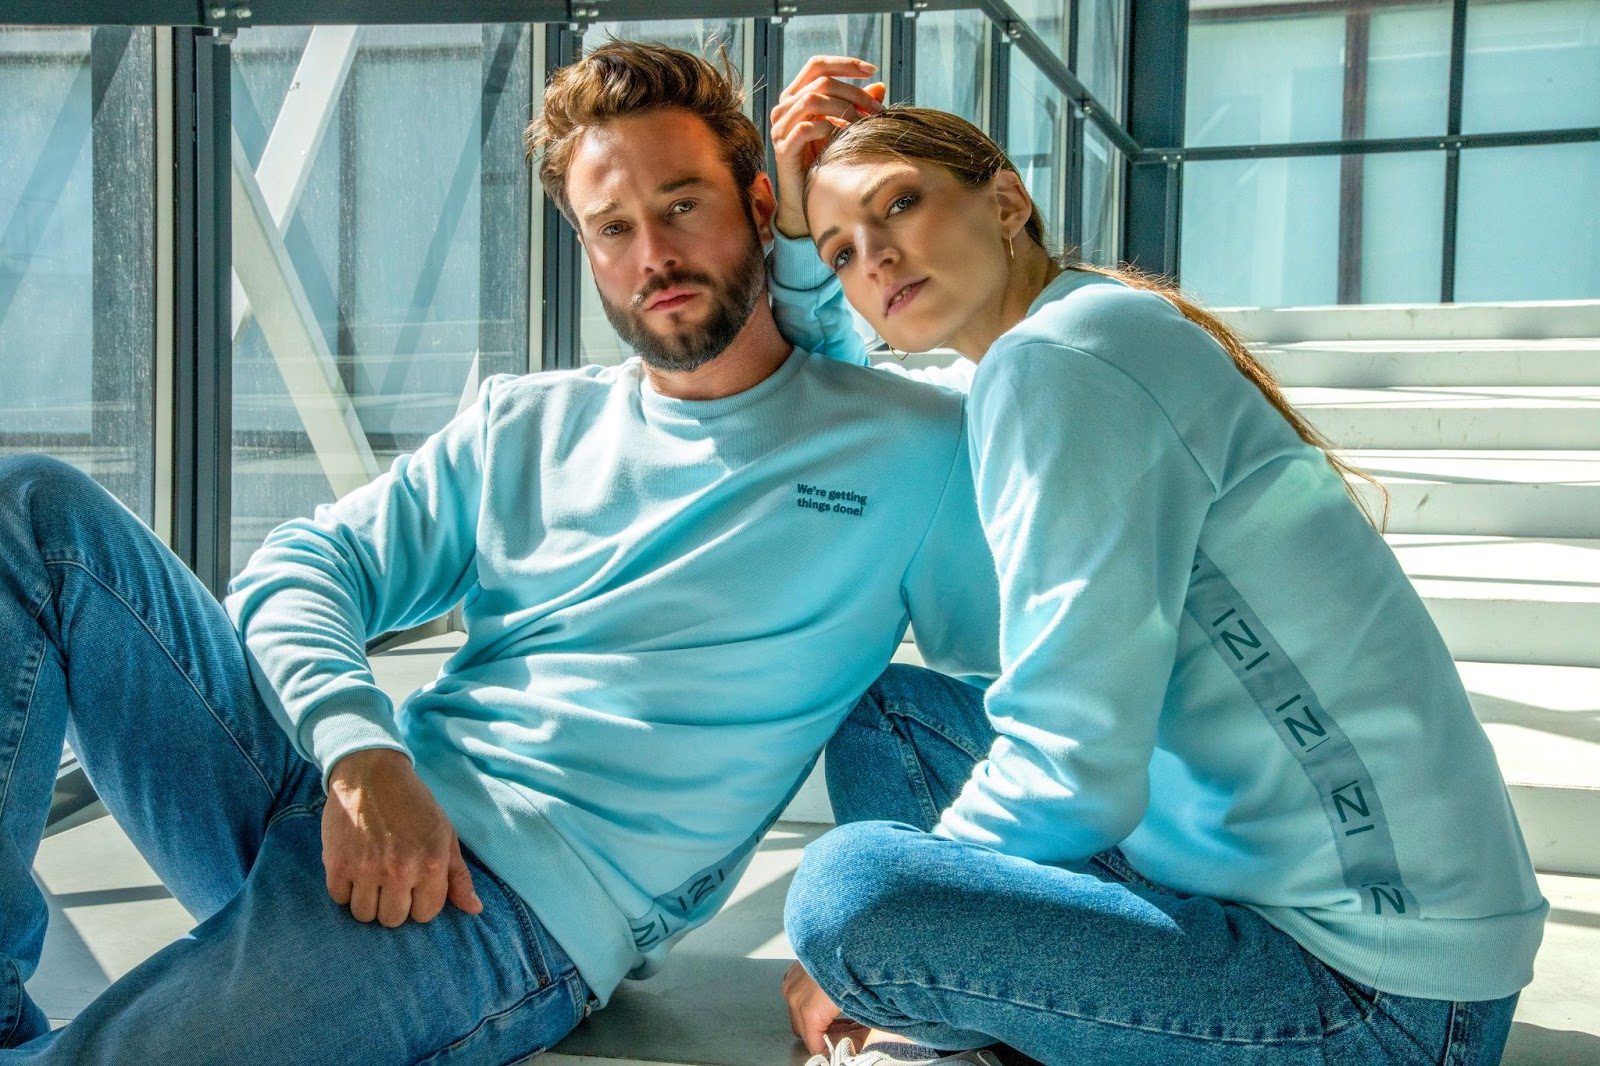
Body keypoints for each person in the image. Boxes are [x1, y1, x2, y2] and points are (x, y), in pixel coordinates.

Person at [0, 42, 1000, 1064]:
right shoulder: (527, 421)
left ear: (758, 205)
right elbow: (301, 565)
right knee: (30, 509)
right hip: (351, 796)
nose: (653, 254)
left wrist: (889, 937)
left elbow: (1002, 701)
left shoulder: (909, 448)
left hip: (495, 911)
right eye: (613, 227)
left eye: (682, 204)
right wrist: (362, 751)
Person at [763, 56, 1548, 1066]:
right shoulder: (1075, 330)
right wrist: (793, 237)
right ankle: (981, 1015)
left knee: (848, 893)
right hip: (1291, 915)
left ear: (1005, 201)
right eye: (841, 250)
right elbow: (831, 403)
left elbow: (1072, 762)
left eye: (900, 205)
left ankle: (951, 1015)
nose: (874, 257)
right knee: (892, 719)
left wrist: (868, 950)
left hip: (1374, 992)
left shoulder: (1061, 360)